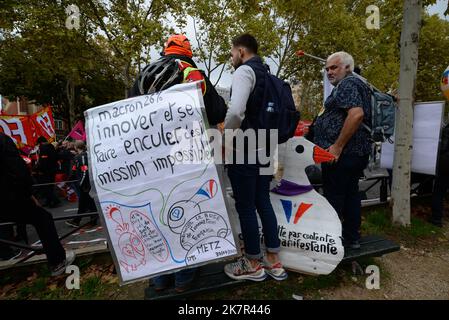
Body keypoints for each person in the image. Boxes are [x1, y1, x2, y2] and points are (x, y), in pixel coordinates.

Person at [128, 34, 227, 293]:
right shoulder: (193, 73)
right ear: (187, 52)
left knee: (159, 215)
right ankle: (184, 279)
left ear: (165, 51)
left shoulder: (143, 75)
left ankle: (159, 278)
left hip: (150, 160)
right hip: (187, 157)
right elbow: (218, 112)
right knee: (186, 217)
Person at [223, 33, 287, 282]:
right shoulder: (268, 74)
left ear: (240, 51)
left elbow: (237, 111)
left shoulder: (244, 72)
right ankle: (273, 260)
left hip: (245, 149)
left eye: (231, 53)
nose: (231, 58)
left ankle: (251, 262)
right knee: (263, 201)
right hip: (265, 147)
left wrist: (227, 138)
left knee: (246, 206)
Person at [313, 51, 372, 249]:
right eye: (327, 68)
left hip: (343, 154)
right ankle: (351, 238)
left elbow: (356, 115)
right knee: (350, 194)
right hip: (355, 153)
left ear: (347, 68)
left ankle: (332, 243)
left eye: (334, 67)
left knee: (335, 197)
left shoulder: (348, 84)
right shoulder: (356, 85)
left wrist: (337, 147)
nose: (329, 72)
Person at [0, 133, 75, 275]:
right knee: (43, 218)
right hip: (9, 196)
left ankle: (7, 253)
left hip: (7, 197)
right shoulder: (3, 141)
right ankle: (58, 261)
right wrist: (29, 193)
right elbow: (18, 170)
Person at [65, 140, 98, 228]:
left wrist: (81, 183)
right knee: (87, 202)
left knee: (84, 202)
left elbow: (84, 171)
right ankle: (88, 219)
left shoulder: (82, 156)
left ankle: (79, 221)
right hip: (84, 183)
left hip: (85, 184)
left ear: (76, 147)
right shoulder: (80, 156)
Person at [430, 121, 449, 227]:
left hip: (446, 164)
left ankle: (436, 218)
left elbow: (443, 147)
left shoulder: (446, 129)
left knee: (439, 191)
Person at [35, 136, 61, 207]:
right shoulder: (51, 147)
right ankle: (49, 201)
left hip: (46, 172)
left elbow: (44, 161)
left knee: (46, 187)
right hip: (52, 170)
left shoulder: (44, 148)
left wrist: (40, 169)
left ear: (40, 143)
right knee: (50, 186)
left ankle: (55, 200)